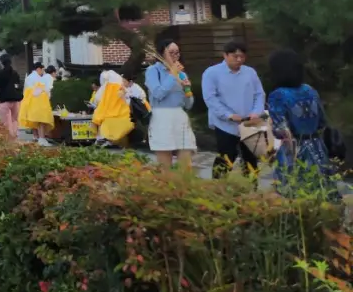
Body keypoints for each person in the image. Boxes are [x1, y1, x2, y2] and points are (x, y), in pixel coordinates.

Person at [266, 48, 339, 200]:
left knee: (294, 193)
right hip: (317, 146)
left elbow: (282, 131)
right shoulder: (310, 90)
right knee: (323, 190)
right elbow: (322, 122)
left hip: (295, 150)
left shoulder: (277, 95)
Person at [201, 40, 267, 177]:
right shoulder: (211, 73)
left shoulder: (250, 72)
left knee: (251, 159)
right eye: (235, 56)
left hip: (249, 124)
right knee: (226, 158)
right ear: (225, 55)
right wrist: (228, 115)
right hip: (225, 124)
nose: (239, 60)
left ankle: (251, 189)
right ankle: (219, 188)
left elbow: (259, 94)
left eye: (242, 57)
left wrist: (256, 112)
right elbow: (210, 99)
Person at [145, 37, 196, 172]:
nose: (175, 56)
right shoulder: (153, 71)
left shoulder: (182, 74)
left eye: (177, 53)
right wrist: (172, 75)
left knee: (186, 163)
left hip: (180, 116)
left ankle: (184, 188)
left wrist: (187, 89)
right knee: (165, 165)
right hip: (161, 117)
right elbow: (158, 93)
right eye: (171, 52)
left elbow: (189, 105)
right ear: (162, 53)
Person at [91, 68, 133, 147]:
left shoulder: (107, 87)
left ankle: (103, 139)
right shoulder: (120, 86)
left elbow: (97, 98)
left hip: (108, 114)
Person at [18, 58, 55, 146]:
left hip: (30, 102)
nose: (43, 72)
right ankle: (41, 138)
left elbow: (26, 91)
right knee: (41, 121)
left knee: (34, 120)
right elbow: (43, 89)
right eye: (42, 69)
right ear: (38, 69)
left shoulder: (29, 77)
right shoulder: (37, 78)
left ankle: (36, 137)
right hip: (39, 102)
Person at [0, 55, 23, 138]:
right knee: (14, 120)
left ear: (2, 63)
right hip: (15, 100)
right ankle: (15, 137)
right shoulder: (15, 73)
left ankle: (9, 140)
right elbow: (18, 86)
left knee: (6, 122)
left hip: (4, 101)